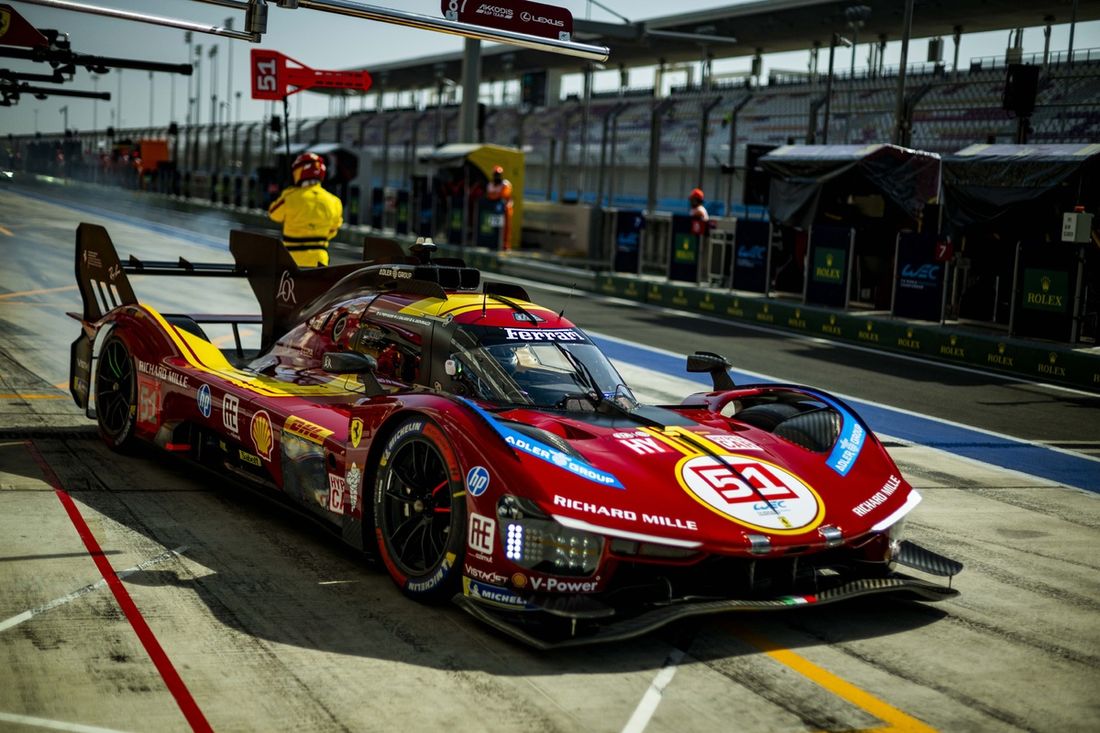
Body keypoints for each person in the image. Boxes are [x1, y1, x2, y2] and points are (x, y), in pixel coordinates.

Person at [268, 152, 343, 267]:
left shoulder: (290, 196)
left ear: (299, 172)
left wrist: (286, 193)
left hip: (291, 260)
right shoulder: (334, 201)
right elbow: (333, 230)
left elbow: (273, 214)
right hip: (319, 262)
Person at [484, 165, 514, 251]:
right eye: (496, 175)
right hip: (494, 209)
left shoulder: (505, 184)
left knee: (505, 228)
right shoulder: (490, 185)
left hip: (504, 210)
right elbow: (490, 196)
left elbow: (502, 195)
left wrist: (495, 195)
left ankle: (505, 245)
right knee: (494, 227)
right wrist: (495, 196)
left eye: (499, 175)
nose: (497, 177)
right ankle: (494, 243)